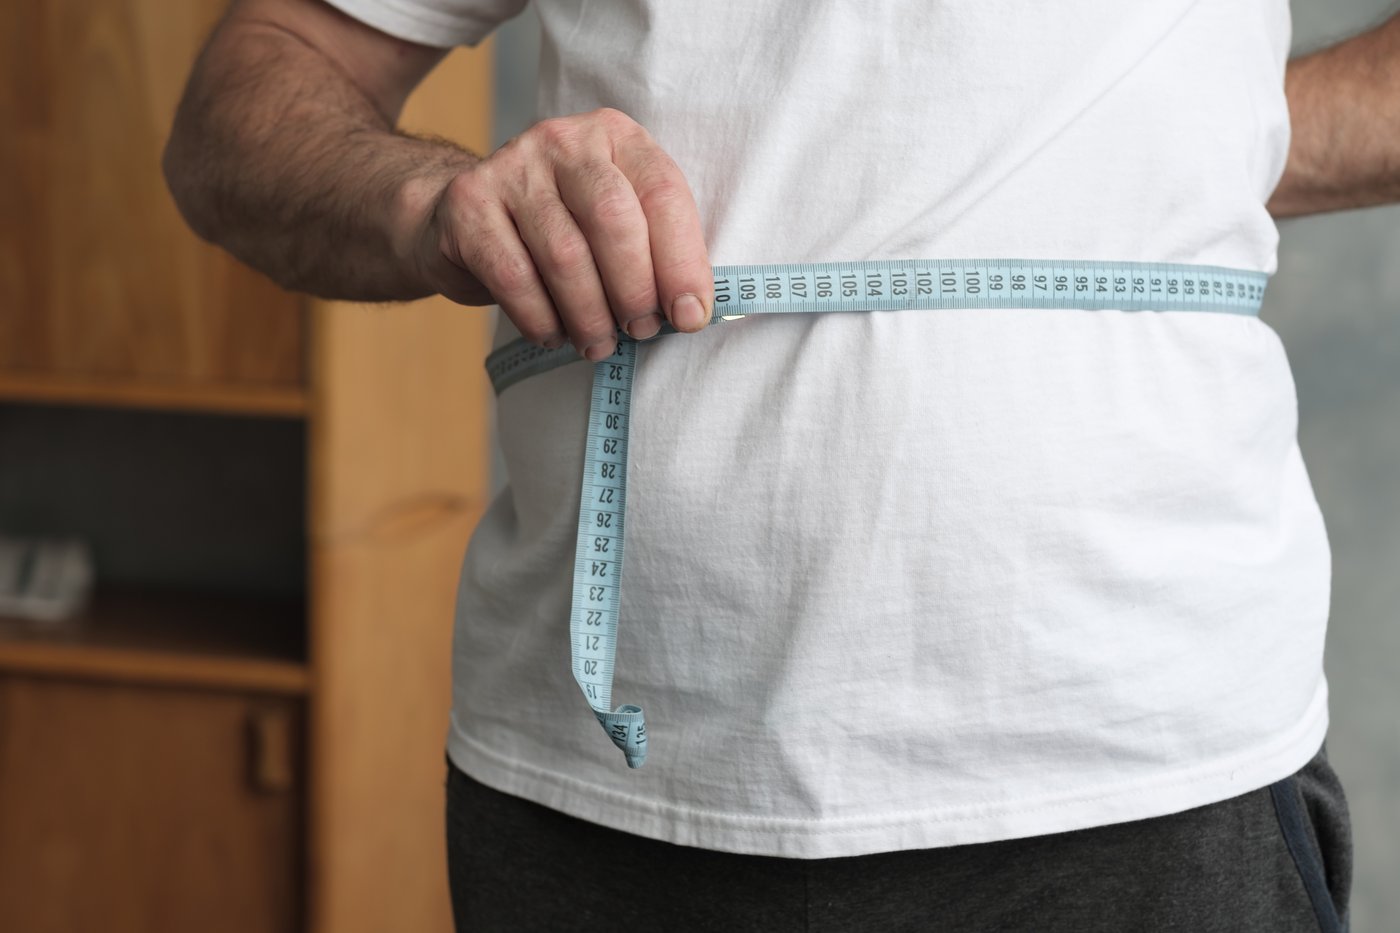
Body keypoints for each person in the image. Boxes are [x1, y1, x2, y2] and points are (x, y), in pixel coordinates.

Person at [163, 1, 1398, 929]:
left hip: (1147, 770)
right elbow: (251, 96)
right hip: (602, 787)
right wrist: (432, 202)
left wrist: (1206, 144)